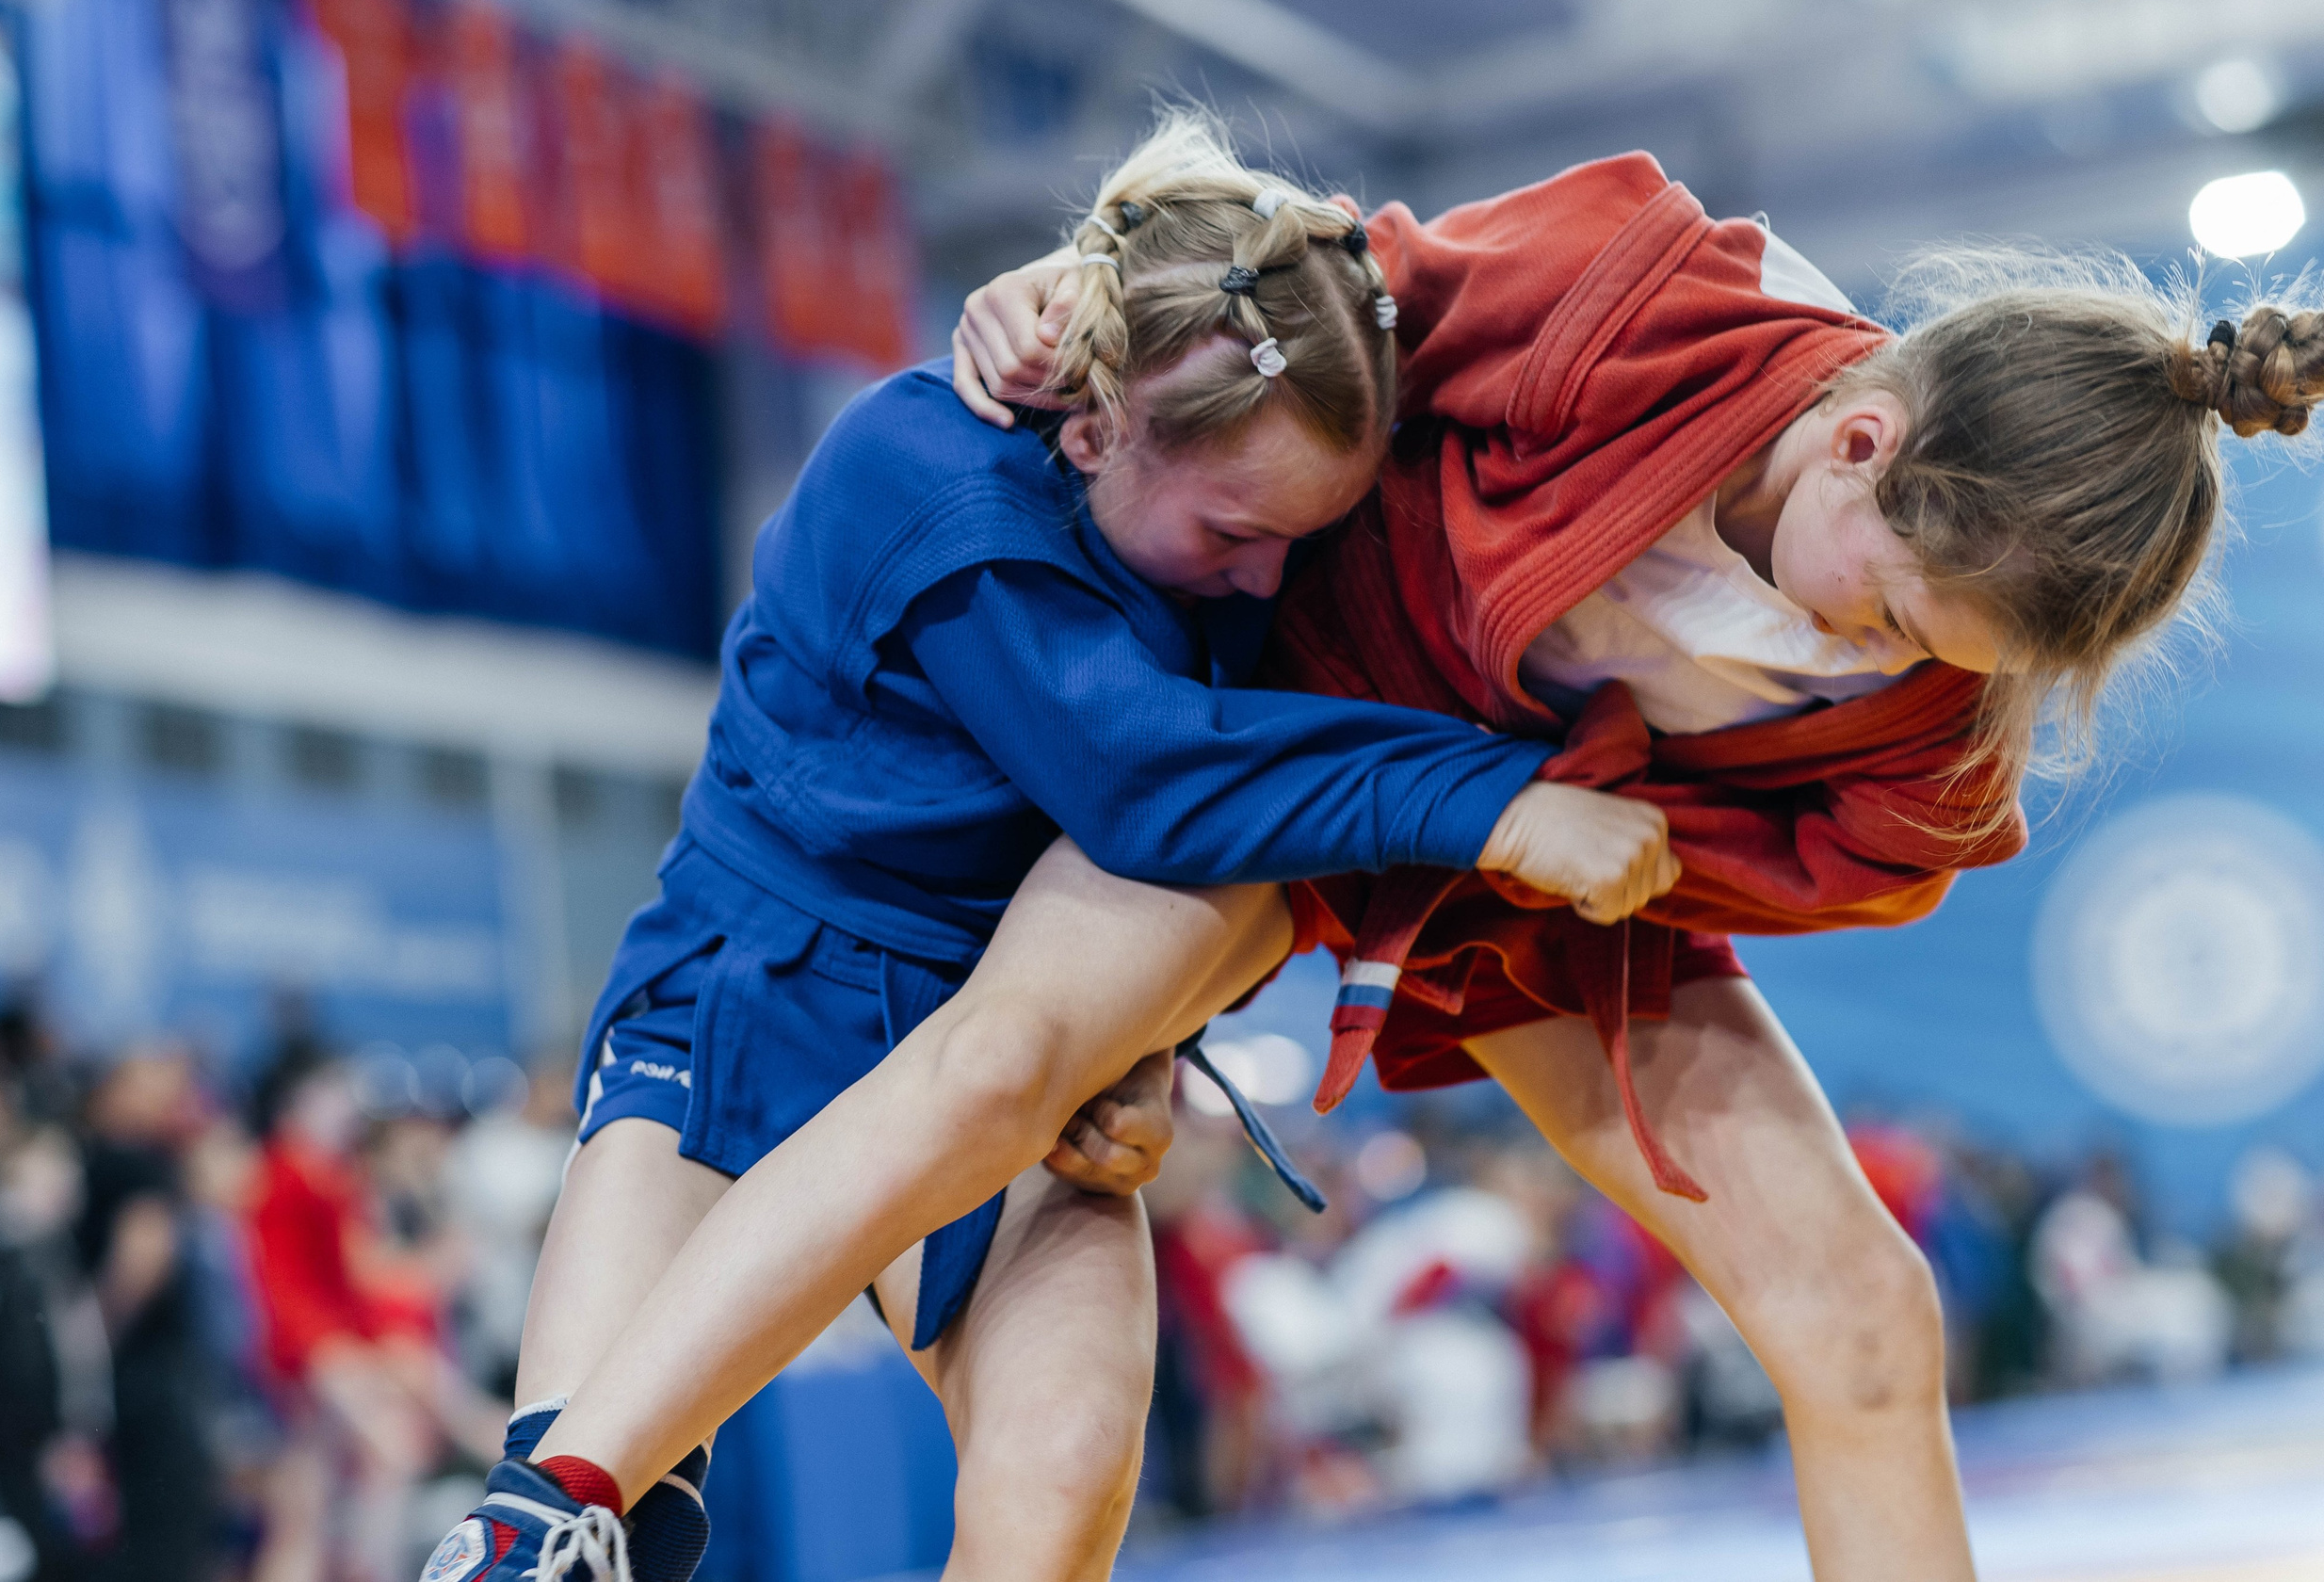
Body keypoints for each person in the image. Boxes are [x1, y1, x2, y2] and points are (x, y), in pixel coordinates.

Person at [508, 139, 2316, 1582]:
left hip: (1542, 880)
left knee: (1868, 1318)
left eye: (1957, 661)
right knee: (1010, 1067)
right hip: (1294, 752)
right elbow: (1318, 297)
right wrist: (1084, 290)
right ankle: (559, 1499)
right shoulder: (1644, 289)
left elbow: (1840, 862)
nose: (1904, 661)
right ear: (1862, 437)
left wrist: (1528, 824)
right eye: (1904, 612)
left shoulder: (1936, 727)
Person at [422, 118, 1678, 1582]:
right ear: (1091, 432)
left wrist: (1149, 1045)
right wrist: (1495, 800)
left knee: (1063, 1479)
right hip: (742, 1002)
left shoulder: (1202, 469)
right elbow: (1148, 780)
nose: (1268, 578)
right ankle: (551, 1501)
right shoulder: (922, 467)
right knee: (578, 1523)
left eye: (1295, 538)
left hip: (997, 1034)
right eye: (1237, 533)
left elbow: (1284, 276)